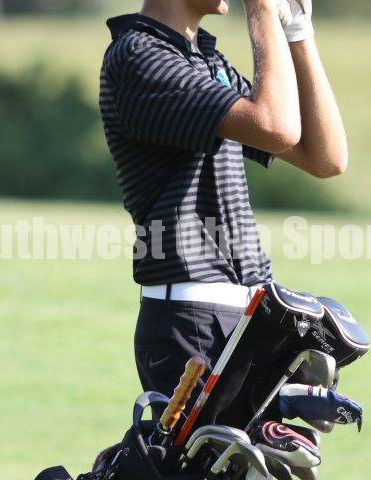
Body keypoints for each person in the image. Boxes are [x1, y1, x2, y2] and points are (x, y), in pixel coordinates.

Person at [98, 0, 348, 405]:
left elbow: (326, 157)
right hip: (191, 317)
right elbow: (276, 127)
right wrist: (262, 10)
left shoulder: (203, 59)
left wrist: (298, 30)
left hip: (248, 315)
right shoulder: (138, 56)